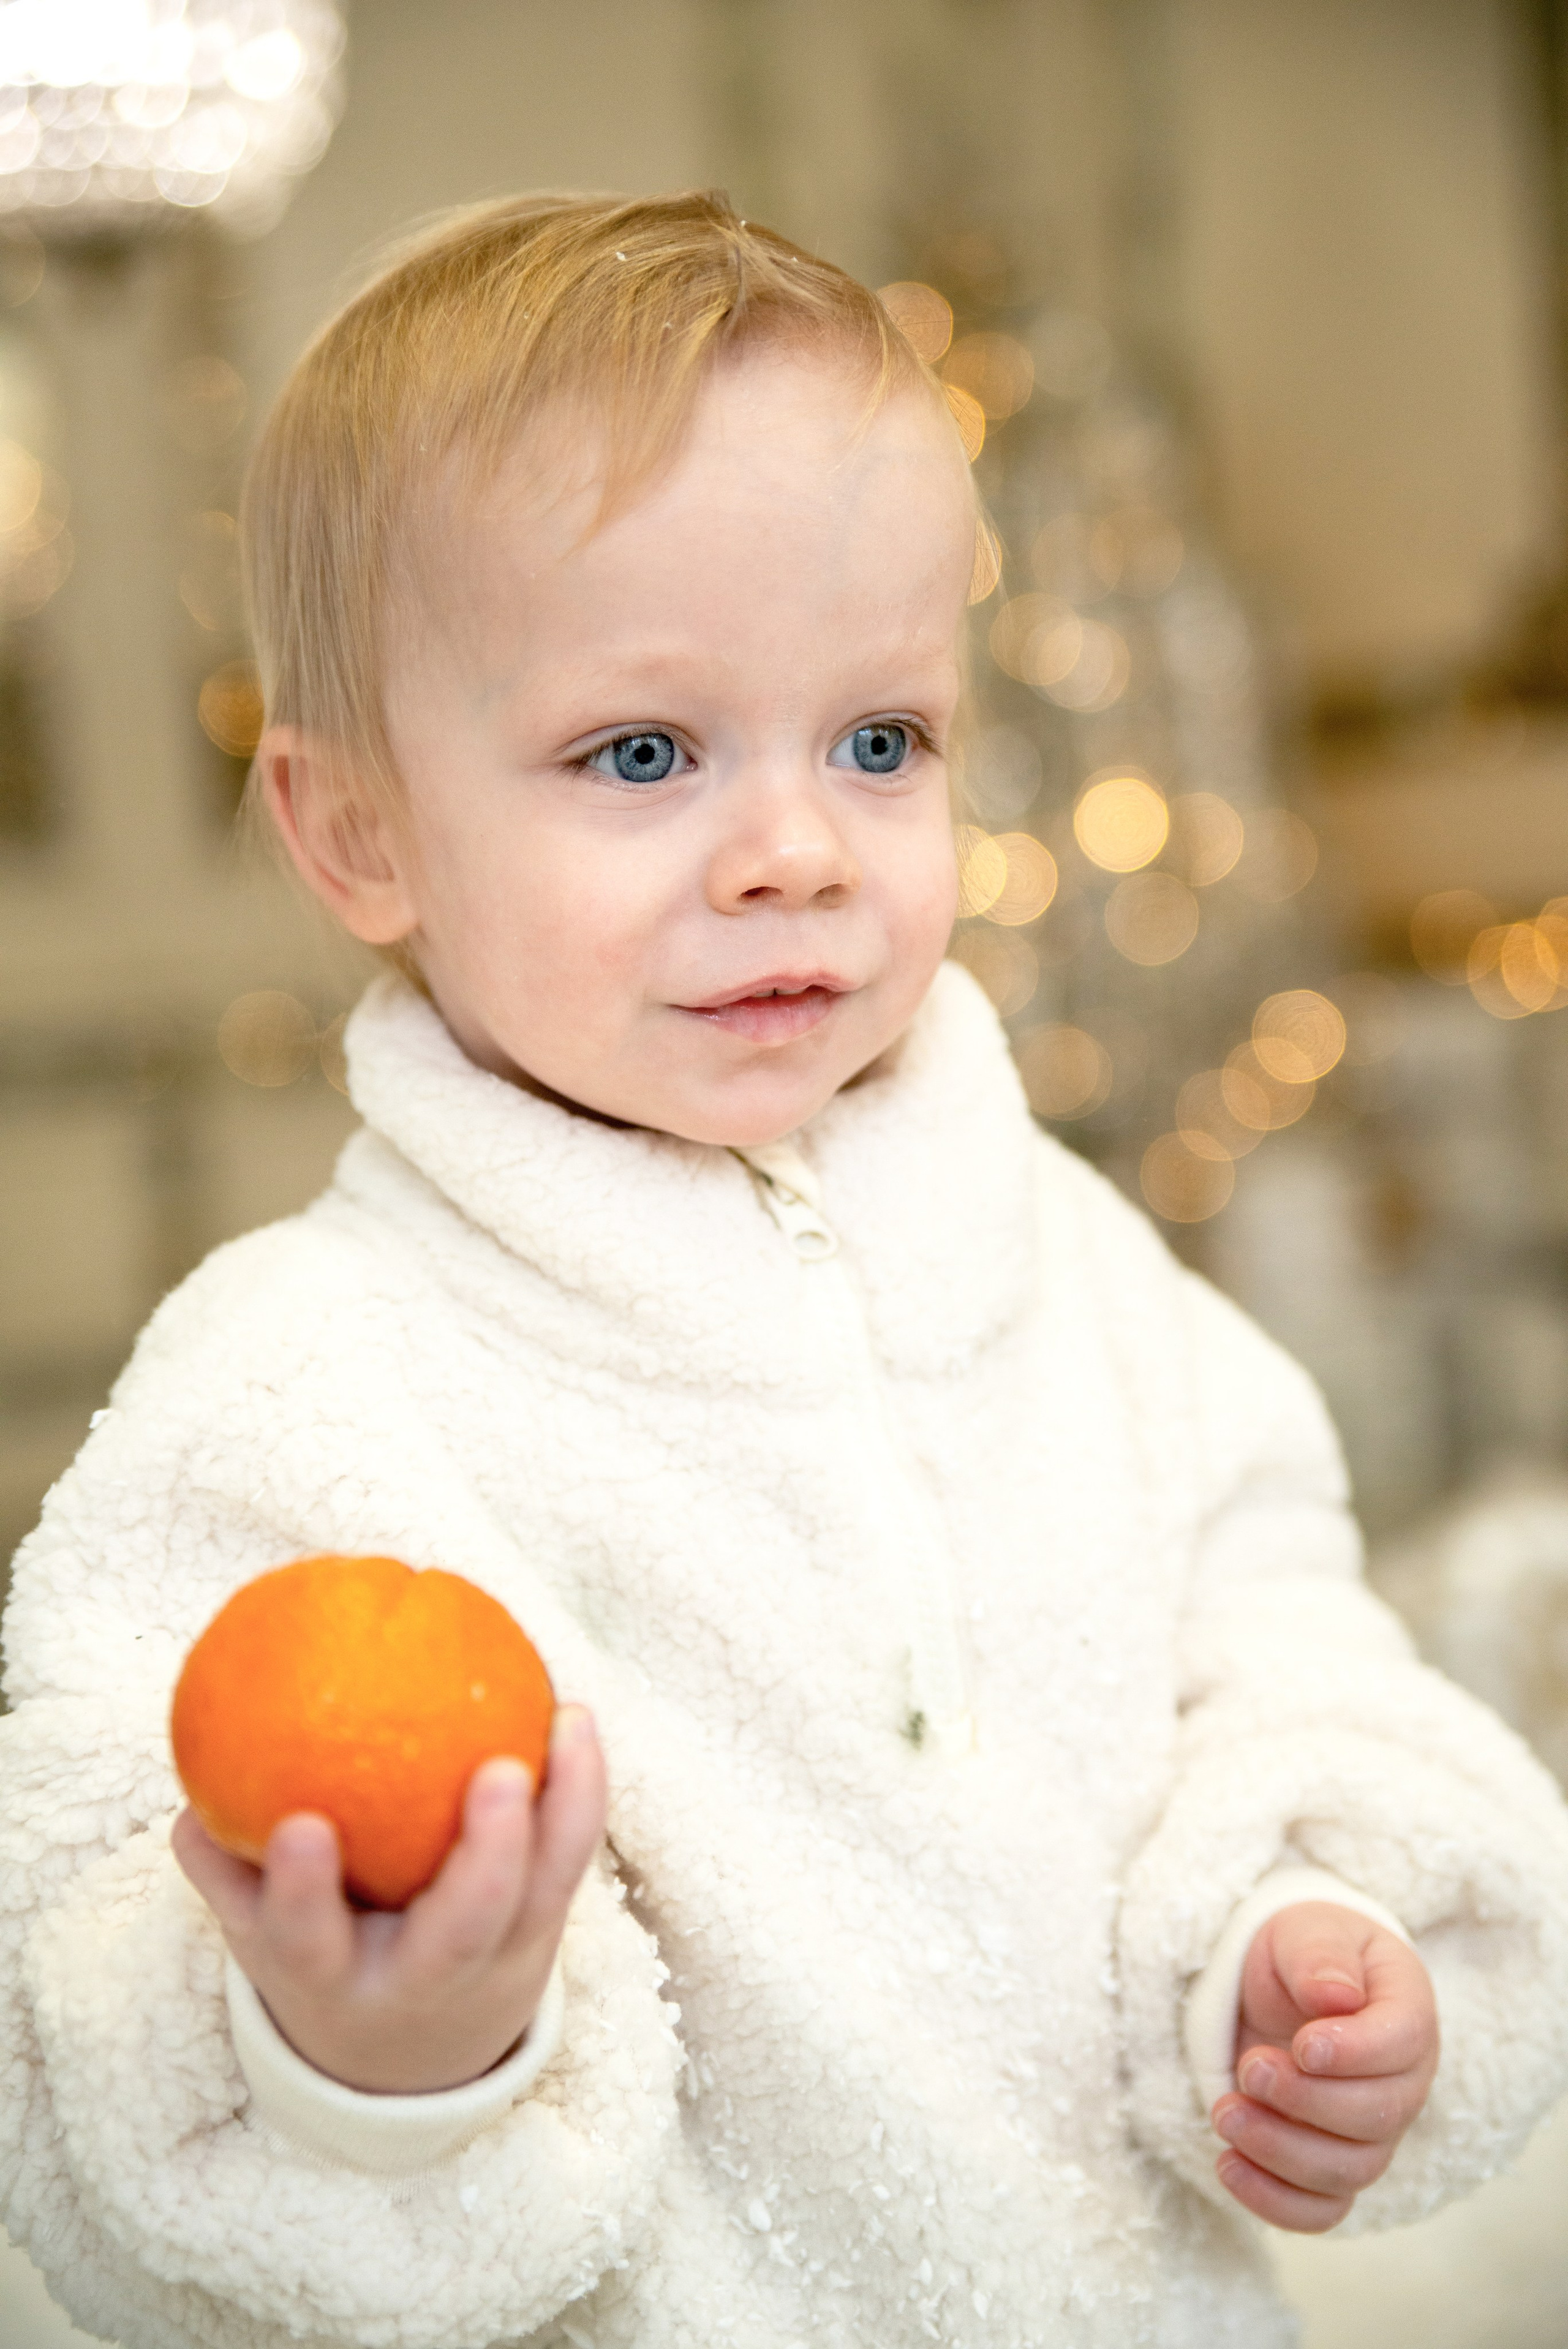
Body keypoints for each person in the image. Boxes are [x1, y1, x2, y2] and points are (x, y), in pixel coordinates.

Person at [2, 189, 1566, 2349]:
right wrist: (370, 2058)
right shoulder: (299, 1393)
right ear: (358, 830)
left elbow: (1281, 1637)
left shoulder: (1063, 1263)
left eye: (881, 740)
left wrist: (1295, 1925)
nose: (798, 849)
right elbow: (83, 2029)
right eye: (643, 753)